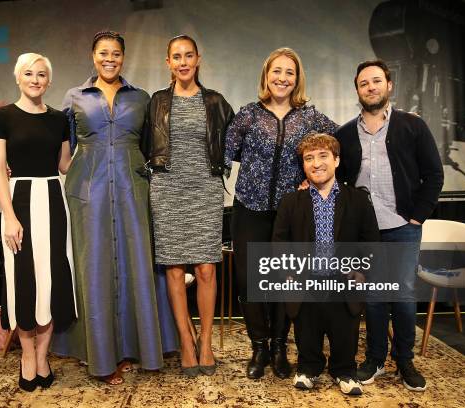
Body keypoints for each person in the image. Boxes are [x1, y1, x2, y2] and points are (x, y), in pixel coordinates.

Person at [50, 31, 177, 385]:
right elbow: (61, 154)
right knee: (95, 270)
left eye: (116, 53)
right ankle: (102, 356)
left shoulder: (142, 98)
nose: (110, 58)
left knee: (137, 265)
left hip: (131, 189)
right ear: (93, 56)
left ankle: (142, 348)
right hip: (87, 192)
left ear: (123, 57)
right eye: (103, 53)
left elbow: (156, 147)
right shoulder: (73, 97)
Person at [224, 47, 338, 379]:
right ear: (266, 75)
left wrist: (313, 178)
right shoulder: (248, 114)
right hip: (249, 210)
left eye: (289, 72)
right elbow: (223, 151)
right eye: (277, 71)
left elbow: (339, 144)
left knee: (282, 281)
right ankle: (258, 346)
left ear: (297, 79)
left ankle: (278, 346)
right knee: (249, 281)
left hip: (290, 214)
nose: (282, 78)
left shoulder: (311, 117)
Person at [335, 60, 444, 392]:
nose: (371, 87)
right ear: (357, 90)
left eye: (376, 80)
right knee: (373, 297)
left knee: (403, 296)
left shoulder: (412, 126)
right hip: (365, 231)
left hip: (402, 226)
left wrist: (417, 215)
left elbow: (434, 174)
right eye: (364, 83)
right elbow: (338, 181)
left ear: (389, 85)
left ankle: (405, 360)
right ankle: (375, 359)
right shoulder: (344, 134)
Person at [0, 53, 77, 392]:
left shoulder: (59, 119)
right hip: (19, 201)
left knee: (51, 278)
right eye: (29, 73)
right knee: (23, 280)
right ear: (18, 78)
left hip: (54, 201)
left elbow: (65, 165)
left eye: (41, 74)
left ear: (48, 81)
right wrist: (9, 216)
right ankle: (26, 356)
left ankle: (43, 356)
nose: (35, 79)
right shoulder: (1, 116)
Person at [147, 35, 234, 377]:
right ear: (167, 62)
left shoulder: (214, 101)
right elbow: (141, 145)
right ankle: (186, 340)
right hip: (167, 190)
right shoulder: (156, 102)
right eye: (176, 57)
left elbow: (234, 141)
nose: (183, 62)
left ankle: (207, 341)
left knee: (206, 270)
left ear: (198, 59)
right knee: (172, 270)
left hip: (205, 190)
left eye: (188, 56)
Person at [273, 133, 380, 395]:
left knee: (344, 330)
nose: (316, 163)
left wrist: (361, 270)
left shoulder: (357, 201)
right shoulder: (291, 202)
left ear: (337, 160)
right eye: (309, 158)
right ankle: (308, 367)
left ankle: (344, 370)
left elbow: (371, 241)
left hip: (344, 281)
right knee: (307, 329)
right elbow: (280, 241)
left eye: (323, 156)